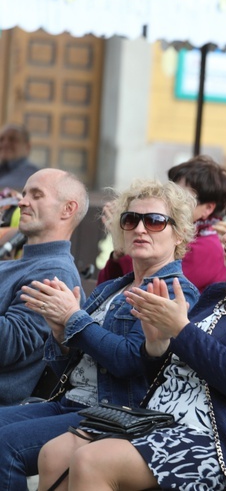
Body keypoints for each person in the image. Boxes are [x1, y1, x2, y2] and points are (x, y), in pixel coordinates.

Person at [38, 191, 226, 490]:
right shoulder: (217, 297)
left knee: (91, 461)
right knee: (54, 454)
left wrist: (181, 329)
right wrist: (155, 346)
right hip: (163, 421)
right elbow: (167, 375)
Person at [0, 179, 199, 489]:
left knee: (5, 445)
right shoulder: (113, 287)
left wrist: (73, 318)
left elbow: (129, 363)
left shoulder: (174, 291)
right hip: (70, 404)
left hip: (112, 413)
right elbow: (66, 370)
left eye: (155, 221)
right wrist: (60, 335)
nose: (140, 229)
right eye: (131, 219)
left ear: (180, 233)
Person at [0, 168, 87, 405]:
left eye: (37, 195)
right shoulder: (22, 265)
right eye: (25, 193)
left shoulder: (54, 273)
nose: (22, 202)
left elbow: (8, 347)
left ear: (68, 209)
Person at [97, 155, 226, 292]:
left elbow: (147, 283)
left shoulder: (209, 248)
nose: (172, 199)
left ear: (208, 208)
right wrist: (119, 250)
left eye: (155, 221)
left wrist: (129, 248)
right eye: (131, 219)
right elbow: (105, 292)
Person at [0, 124, 38, 192]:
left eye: (12, 139)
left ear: (27, 147)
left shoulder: (34, 176)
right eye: (1, 140)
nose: (5, 143)